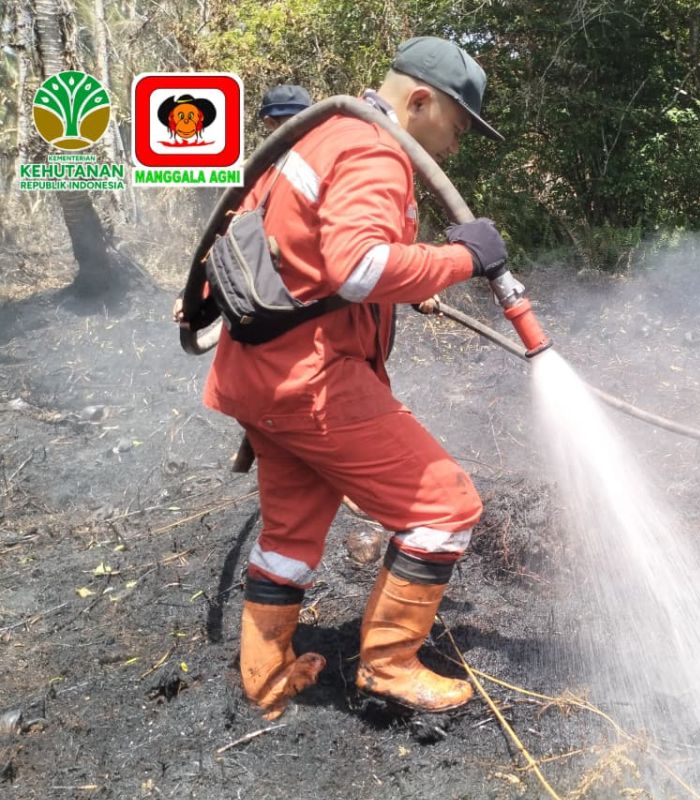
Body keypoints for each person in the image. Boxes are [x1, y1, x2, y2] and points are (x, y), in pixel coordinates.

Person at [193, 37, 507, 720]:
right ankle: (389, 664)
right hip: (310, 381)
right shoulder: (374, 148)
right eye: (455, 127)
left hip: (262, 377)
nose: (454, 146)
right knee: (445, 509)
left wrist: (401, 282)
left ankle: (266, 672)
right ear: (419, 101)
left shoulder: (320, 135)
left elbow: (301, 255)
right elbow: (358, 267)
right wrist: (459, 257)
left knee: (289, 535)